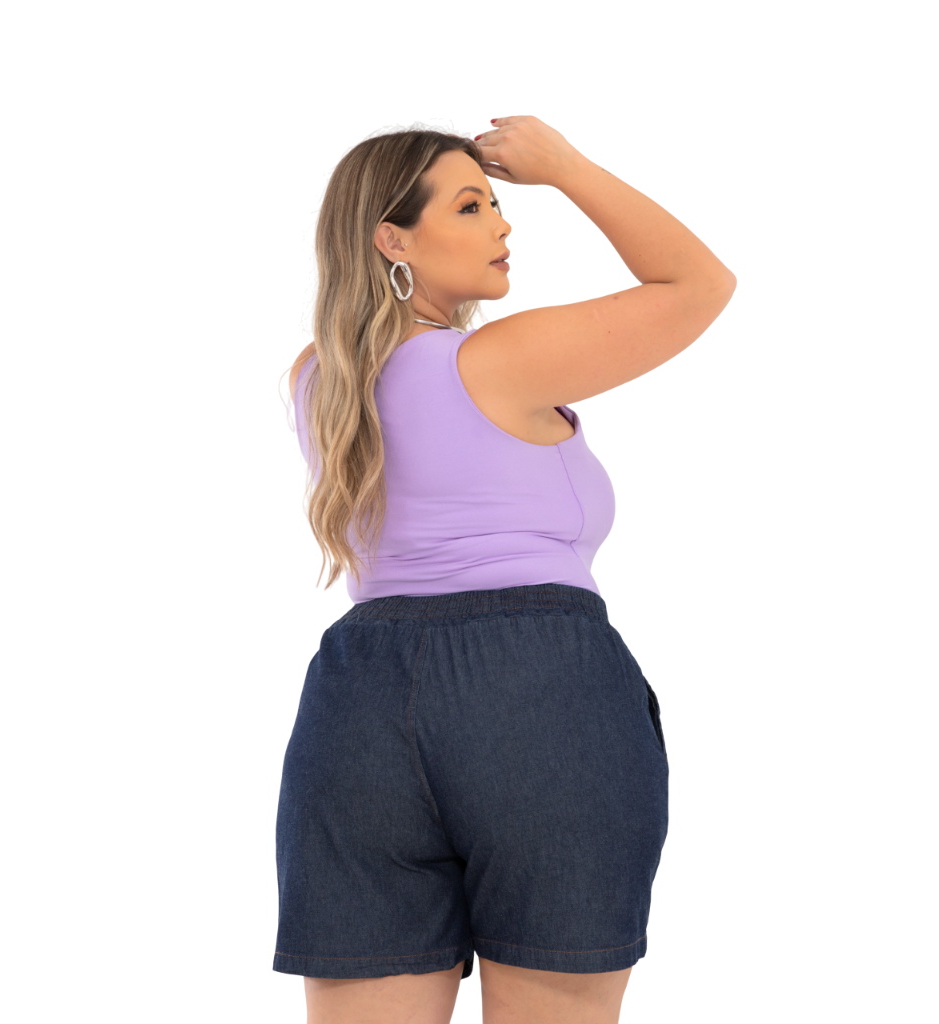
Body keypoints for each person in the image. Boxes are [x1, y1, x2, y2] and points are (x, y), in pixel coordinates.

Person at [276, 115, 736, 1024]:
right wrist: (566, 167)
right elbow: (697, 283)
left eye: (494, 203)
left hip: (356, 707)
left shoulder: (315, 377)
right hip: (536, 693)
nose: (502, 223)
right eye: (471, 206)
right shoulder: (497, 360)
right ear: (392, 239)